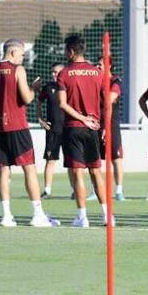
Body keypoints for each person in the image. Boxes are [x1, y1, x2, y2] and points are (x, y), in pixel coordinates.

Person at [0, 40, 57, 227]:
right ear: (13, 52)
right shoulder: (18, 70)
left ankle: (6, 216)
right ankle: (37, 214)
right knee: (29, 168)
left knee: (3, 170)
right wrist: (35, 88)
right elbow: (27, 98)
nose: (23, 58)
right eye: (22, 54)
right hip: (17, 126)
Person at [56, 34, 109, 228]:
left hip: (74, 128)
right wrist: (102, 126)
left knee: (77, 173)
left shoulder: (64, 73)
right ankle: (106, 216)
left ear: (71, 51)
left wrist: (81, 118)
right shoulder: (98, 72)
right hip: (93, 129)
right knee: (96, 172)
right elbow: (106, 104)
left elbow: (62, 104)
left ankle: (82, 217)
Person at [36, 62, 66, 198]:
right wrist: (40, 119)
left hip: (68, 129)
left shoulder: (68, 86)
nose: (54, 74)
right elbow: (38, 102)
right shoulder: (48, 87)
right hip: (52, 130)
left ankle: (74, 190)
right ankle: (47, 190)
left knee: (73, 162)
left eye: (57, 72)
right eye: (52, 72)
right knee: (50, 160)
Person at [103, 73, 126, 201]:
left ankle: (119, 191)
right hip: (97, 123)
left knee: (116, 158)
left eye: (101, 65)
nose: (98, 67)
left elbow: (110, 99)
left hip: (112, 125)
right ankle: (95, 191)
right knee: (94, 160)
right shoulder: (96, 79)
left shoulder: (116, 81)